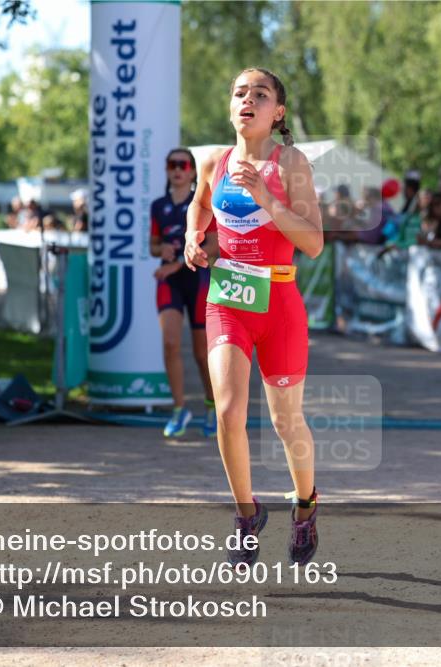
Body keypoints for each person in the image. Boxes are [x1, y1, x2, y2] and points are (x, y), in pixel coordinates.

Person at [183, 67, 324, 566]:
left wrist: (266, 197)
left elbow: (313, 242)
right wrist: (192, 235)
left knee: (286, 422)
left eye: (260, 94)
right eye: (240, 92)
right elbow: (200, 206)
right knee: (228, 412)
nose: (248, 99)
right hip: (228, 300)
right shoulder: (214, 162)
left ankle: (305, 505)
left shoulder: (291, 163)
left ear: (277, 111)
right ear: (231, 107)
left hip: (279, 303)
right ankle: (247, 514)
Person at [151, 148, 218, 440]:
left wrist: (179, 261)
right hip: (169, 280)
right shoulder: (158, 206)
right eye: (172, 164)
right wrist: (162, 250)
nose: (178, 169)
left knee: (202, 353)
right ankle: (179, 409)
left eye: (183, 164)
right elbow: (153, 245)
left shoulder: (202, 202)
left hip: (198, 278)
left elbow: (214, 245)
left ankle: (213, 406)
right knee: (170, 344)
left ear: (192, 171)